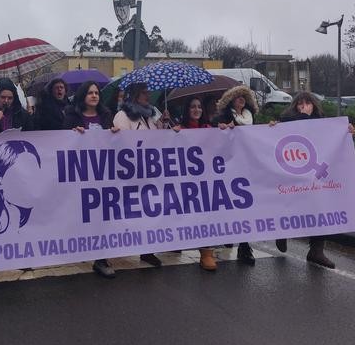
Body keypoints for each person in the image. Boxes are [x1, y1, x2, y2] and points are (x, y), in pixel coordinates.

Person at [272, 91, 355, 269]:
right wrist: (274, 126)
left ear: (314, 105)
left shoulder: (323, 123)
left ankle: (316, 251)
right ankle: (282, 231)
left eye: (307, 103)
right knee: (291, 204)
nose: (303, 106)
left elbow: (334, 141)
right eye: (299, 104)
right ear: (294, 106)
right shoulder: (287, 121)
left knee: (319, 207)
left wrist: (346, 132)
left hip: (313, 175)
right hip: (292, 173)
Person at [64, 81, 122, 278]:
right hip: (80, 174)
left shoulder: (106, 116)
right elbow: (62, 142)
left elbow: (114, 144)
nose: (94, 96)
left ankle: (101, 259)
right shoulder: (72, 116)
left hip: (102, 174)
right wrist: (73, 134)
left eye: (97, 92)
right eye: (90, 93)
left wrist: (114, 133)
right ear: (83, 96)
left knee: (101, 217)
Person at [111, 82, 164, 270]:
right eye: (143, 93)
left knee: (148, 211)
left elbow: (157, 141)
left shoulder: (149, 117)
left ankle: (147, 249)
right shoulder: (123, 116)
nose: (147, 96)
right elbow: (122, 143)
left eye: (148, 93)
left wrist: (163, 126)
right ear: (134, 96)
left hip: (149, 173)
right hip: (131, 174)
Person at [212, 85, 259, 265]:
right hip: (229, 167)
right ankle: (228, 233)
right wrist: (221, 129)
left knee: (245, 207)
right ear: (231, 99)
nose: (241, 99)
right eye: (238, 96)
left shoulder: (250, 116)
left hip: (247, 166)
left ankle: (245, 247)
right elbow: (213, 137)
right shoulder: (223, 117)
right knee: (230, 205)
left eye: (244, 96)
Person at [172, 96, 217, 271]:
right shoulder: (180, 129)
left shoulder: (209, 128)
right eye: (192, 107)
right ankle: (176, 240)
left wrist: (225, 131)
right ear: (187, 110)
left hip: (205, 180)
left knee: (205, 216)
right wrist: (171, 134)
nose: (196, 109)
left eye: (199, 106)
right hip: (184, 181)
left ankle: (206, 253)